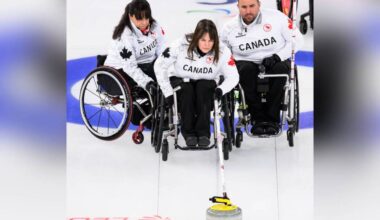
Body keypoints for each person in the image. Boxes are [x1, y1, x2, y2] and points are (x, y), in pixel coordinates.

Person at [221, 0, 303, 135]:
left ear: (259, 5)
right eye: (244, 7)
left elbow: (298, 40)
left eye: (252, 6)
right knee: (244, 71)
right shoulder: (229, 28)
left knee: (281, 70)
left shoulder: (277, 17)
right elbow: (223, 52)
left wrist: (278, 56)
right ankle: (257, 118)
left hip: (275, 59)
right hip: (245, 62)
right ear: (238, 7)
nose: (248, 11)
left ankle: (272, 119)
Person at [154, 19, 239, 147]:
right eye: (203, 40)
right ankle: (188, 134)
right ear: (196, 38)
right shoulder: (179, 46)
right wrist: (167, 93)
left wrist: (221, 89)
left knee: (203, 88)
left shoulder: (223, 51)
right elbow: (159, 66)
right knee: (187, 91)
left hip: (206, 83)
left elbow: (233, 76)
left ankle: (203, 133)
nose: (207, 44)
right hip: (181, 80)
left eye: (211, 40)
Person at [103, 0, 166, 125]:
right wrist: (147, 83)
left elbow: (161, 51)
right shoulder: (124, 37)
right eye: (139, 19)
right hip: (121, 71)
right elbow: (130, 67)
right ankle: (144, 116)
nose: (144, 22)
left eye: (146, 18)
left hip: (147, 65)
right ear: (131, 16)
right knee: (153, 84)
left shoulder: (155, 27)